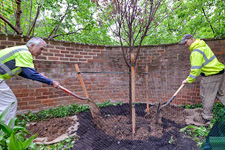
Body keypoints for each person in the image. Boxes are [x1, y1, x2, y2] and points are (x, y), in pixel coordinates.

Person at [0, 37, 60, 125]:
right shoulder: (24, 52)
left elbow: (24, 72)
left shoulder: (20, 51)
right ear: (32, 45)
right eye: (41, 49)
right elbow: (31, 74)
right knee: (10, 102)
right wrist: (51, 82)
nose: (41, 52)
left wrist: (40, 76)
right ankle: (5, 134)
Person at [180, 34, 225, 124]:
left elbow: (196, 70)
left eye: (186, 42)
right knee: (219, 94)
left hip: (211, 75)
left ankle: (206, 117)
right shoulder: (202, 45)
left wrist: (188, 80)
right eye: (184, 44)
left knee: (206, 96)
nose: (185, 45)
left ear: (192, 39)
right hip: (218, 72)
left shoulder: (196, 51)